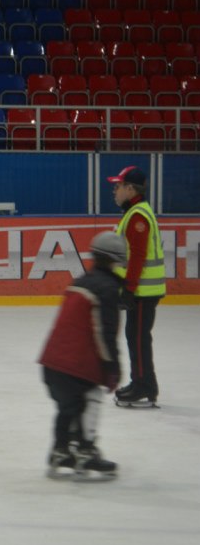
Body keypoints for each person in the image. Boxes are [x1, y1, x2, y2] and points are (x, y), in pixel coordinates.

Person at [38, 232, 126, 479]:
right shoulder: (107, 289)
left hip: (52, 361)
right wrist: (112, 367)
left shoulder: (80, 281)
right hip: (75, 363)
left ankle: (61, 450)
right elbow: (104, 333)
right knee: (91, 398)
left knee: (69, 407)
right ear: (116, 260)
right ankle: (86, 451)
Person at [107, 165, 166, 408]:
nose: (114, 191)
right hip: (140, 290)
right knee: (136, 336)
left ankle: (144, 386)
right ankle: (141, 382)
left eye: (118, 186)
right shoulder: (135, 212)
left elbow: (138, 255)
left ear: (131, 189)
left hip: (142, 291)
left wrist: (129, 289)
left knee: (138, 338)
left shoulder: (138, 216)